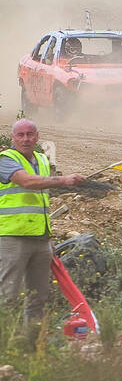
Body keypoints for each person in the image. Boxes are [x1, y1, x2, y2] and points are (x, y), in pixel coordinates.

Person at [0, 120, 86, 323]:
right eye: (20, 135)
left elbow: (42, 202)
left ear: (37, 137)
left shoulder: (42, 160)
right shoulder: (6, 159)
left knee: (39, 297)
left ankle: (32, 343)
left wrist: (48, 237)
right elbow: (26, 181)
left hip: (40, 239)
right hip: (13, 238)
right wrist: (64, 180)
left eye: (30, 134)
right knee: (7, 297)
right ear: (13, 138)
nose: (26, 139)